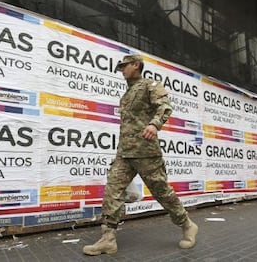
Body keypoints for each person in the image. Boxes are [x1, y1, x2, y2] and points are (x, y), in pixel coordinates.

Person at [83, 53, 198, 256]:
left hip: (146, 152)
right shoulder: (126, 96)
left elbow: (164, 107)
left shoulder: (150, 85)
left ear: (136, 65)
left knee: (162, 191)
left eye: (124, 66)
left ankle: (187, 224)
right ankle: (108, 238)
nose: (121, 70)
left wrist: (155, 124)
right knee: (112, 191)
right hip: (125, 154)